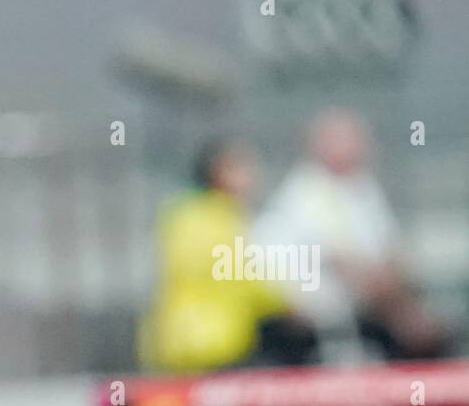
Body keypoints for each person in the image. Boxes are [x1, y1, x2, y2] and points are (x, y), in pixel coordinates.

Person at [252, 109, 454, 363]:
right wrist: (400, 312)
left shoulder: (363, 187)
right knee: (414, 337)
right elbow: (344, 263)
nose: (357, 148)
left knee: (435, 336)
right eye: (344, 140)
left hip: (366, 310)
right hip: (319, 322)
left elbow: (391, 252)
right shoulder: (308, 193)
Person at [138, 137, 314, 373]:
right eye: (243, 168)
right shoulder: (223, 217)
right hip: (215, 337)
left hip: (174, 335)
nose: (252, 177)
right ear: (219, 172)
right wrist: (286, 304)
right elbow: (242, 274)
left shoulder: (181, 213)